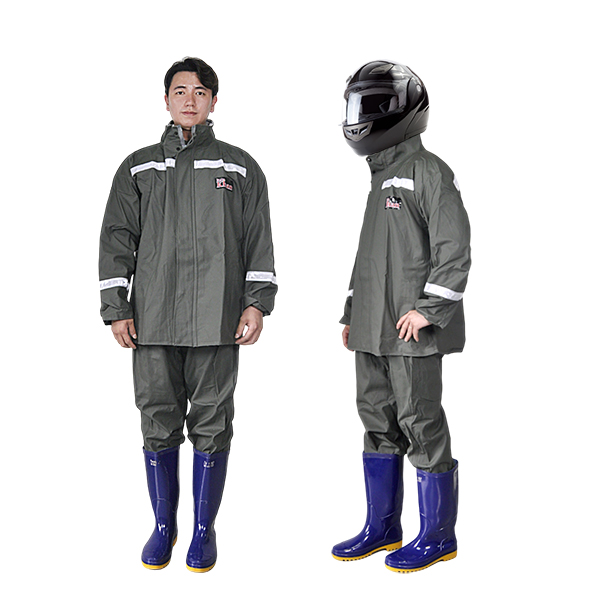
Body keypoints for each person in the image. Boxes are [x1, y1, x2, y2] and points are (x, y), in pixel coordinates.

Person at [98, 57, 277, 572]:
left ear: (214, 101)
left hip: (217, 319)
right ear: (166, 100)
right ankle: (163, 526)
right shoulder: (138, 167)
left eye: (200, 92)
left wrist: (256, 302)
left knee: (213, 423)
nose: (190, 99)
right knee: (157, 421)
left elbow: (258, 239)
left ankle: (203, 529)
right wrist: (116, 307)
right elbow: (116, 240)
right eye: (180, 91)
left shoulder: (239, 167)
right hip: (151, 320)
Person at [331, 61, 471, 573]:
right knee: (376, 422)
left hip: (412, 332)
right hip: (372, 330)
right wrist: (352, 312)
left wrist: (429, 309)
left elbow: (455, 247)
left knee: (420, 423)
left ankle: (438, 535)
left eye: (369, 106)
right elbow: (369, 258)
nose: (359, 117)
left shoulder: (427, 171)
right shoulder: (380, 178)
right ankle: (383, 526)